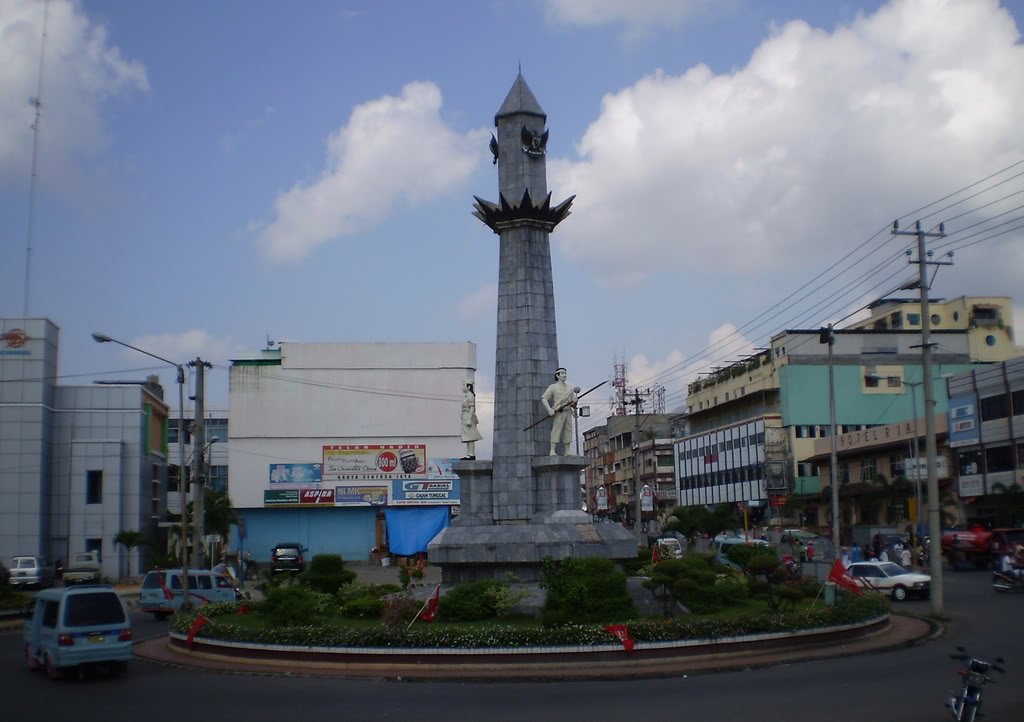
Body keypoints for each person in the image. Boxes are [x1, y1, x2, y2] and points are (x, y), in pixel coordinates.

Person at [541, 367, 578, 455]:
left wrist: (575, 402)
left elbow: (573, 404)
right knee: (556, 430)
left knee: (568, 430)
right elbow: (544, 398)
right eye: (562, 373)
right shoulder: (553, 387)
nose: (564, 375)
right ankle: (552, 450)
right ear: (557, 375)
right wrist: (549, 409)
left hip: (568, 411)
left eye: (565, 373)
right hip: (559, 411)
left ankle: (567, 450)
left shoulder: (569, 388)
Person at [461, 382, 483, 459]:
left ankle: (471, 454)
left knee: (470, 437)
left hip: (468, 416)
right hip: (465, 416)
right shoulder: (466, 396)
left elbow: (472, 408)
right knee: (467, 437)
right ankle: (470, 454)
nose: (463, 387)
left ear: (469, 387)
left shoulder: (470, 396)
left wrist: (469, 418)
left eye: (464, 385)